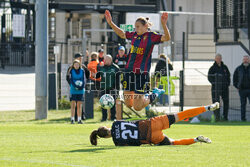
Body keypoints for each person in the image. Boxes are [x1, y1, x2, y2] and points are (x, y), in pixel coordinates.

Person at [104, 10, 171, 112]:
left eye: (138, 26)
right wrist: (110, 23)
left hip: (141, 74)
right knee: (128, 104)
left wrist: (164, 24)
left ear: (145, 27)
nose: (136, 29)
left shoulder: (151, 36)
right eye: (135, 26)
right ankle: (148, 96)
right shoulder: (134, 35)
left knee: (138, 107)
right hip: (129, 71)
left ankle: (154, 93)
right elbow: (122, 34)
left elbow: (167, 37)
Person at [90, 102, 219, 146]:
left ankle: (196, 139)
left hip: (150, 137)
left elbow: (135, 144)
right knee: (181, 115)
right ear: (107, 127)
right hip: (152, 123)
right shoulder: (115, 123)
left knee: (174, 142)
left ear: (106, 137)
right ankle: (207, 107)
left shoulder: (117, 142)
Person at [96, 54, 120, 121]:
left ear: (110, 60)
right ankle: (104, 118)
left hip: (112, 88)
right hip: (103, 88)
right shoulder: (101, 67)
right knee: (103, 103)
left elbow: (118, 80)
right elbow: (97, 77)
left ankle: (113, 117)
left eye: (107, 59)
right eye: (105, 59)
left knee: (112, 103)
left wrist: (117, 90)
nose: (105, 61)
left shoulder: (115, 68)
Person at [66, 53, 90, 120]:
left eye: (81, 58)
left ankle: (81, 116)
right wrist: (72, 84)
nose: (80, 59)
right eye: (79, 58)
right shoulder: (71, 68)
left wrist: (83, 84)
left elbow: (87, 76)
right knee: (74, 103)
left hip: (81, 87)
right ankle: (74, 117)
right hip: (73, 88)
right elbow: (68, 77)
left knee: (80, 103)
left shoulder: (83, 67)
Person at [208, 53, 230, 121]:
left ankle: (225, 117)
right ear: (215, 59)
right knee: (215, 103)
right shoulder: (212, 68)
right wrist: (214, 84)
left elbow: (228, 76)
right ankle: (217, 117)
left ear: (221, 59)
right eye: (217, 58)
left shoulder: (225, 67)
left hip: (224, 88)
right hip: (216, 89)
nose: (218, 59)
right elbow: (209, 77)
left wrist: (227, 84)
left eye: (219, 58)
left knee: (226, 102)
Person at [233, 55, 250, 121]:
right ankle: (243, 119)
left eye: (247, 59)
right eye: (244, 59)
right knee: (243, 105)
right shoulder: (238, 68)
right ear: (242, 60)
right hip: (242, 90)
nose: (245, 60)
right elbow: (235, 78)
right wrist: (237, 86)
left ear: (249, 60)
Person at [70, 59, 85, 124]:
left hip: (80, 90)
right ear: (73, 65)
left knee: (79, 105)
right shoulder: (71, 71)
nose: (76, 66)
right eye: (75, 64)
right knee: (73, 105)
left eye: (78, 64)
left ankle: (79, 119)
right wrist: (75, 86)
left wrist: (80, 87)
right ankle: (72, 119)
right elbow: (71, 80)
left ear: (79, 65)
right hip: (73, 89)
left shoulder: (82, 71)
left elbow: (83, 79)